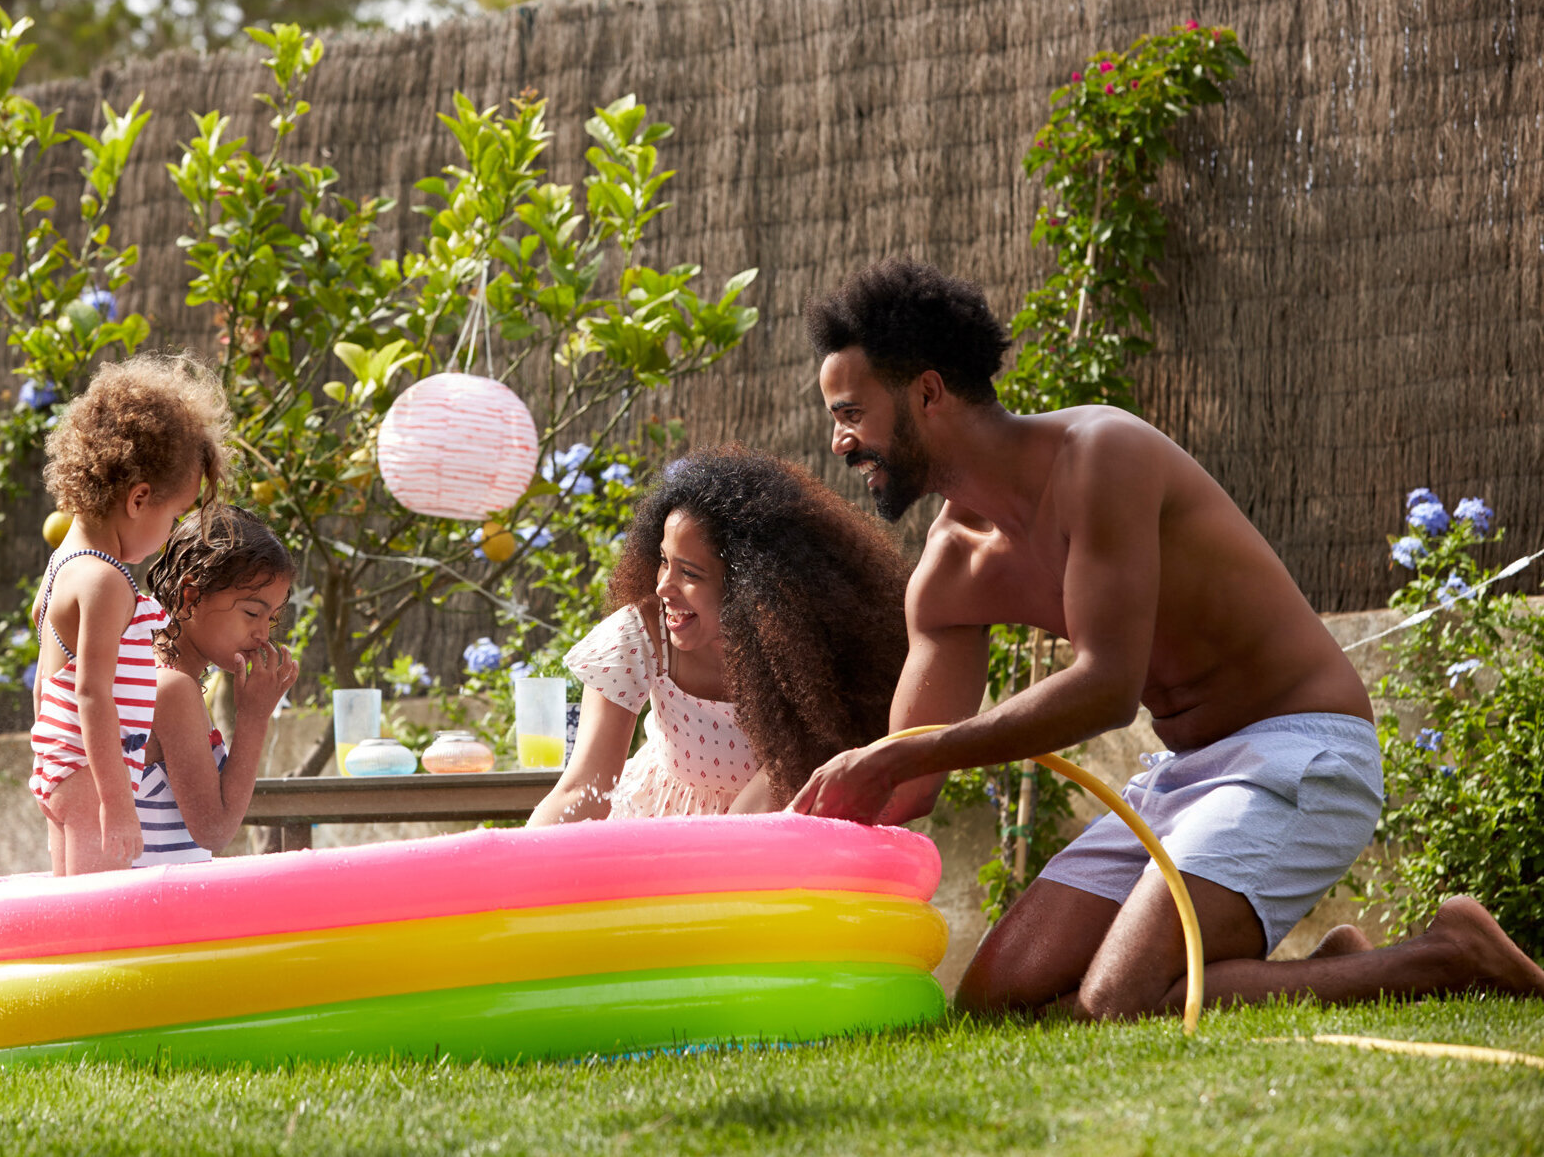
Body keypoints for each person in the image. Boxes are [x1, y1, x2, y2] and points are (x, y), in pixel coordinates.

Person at [791, 258, 1544, 1017]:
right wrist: (788, 831)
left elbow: (1107, 687)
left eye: (851, 413)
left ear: (927, 391)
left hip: (1300, 749)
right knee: (994, 1002)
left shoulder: (1099, 456)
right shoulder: (949, 574)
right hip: (1185, 777)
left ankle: (1447, 954)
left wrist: (903, 751)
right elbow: (907, 783)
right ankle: (1338, 968)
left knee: (1117, 999)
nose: (838, 442)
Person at [528, 446, 910, 826]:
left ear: (751, 587)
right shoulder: (641, 634)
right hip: (656, 822)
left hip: (766, 836)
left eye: (690, 574)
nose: (663, 586)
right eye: (664, 561)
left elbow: (749, 824)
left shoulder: (806, 657)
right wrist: (518, 862)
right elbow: (583, 788)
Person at [29, 354, 231, 876]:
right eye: (175, 515)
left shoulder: (59, 567)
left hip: (62, 769)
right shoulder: (103, 579)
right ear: (139, 498)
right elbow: (92, 693)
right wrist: (116, 802)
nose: (172, 530)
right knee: (101, 924)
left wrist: (47, 762)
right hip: (91, 780)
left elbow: (46, 683)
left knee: (73, 916)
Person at [136, 505, 299, 866]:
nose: (262, 633)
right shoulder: (173, 689)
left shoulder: (159, 675)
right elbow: (215, 831)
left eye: (270, 619)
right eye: (252, 613)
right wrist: (254, 718)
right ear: (191, 596)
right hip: (157, 908)